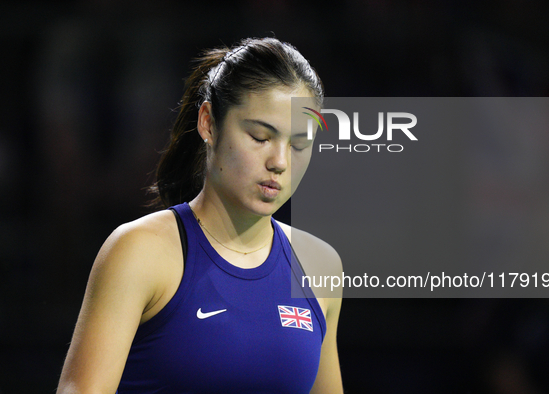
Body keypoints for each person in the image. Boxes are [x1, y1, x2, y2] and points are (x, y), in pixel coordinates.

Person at [57, 37, 344, 393]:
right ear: (208, 122)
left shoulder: (320, 265)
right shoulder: (139, 252)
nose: (280, 162)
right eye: (259, 137)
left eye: (299, 144)